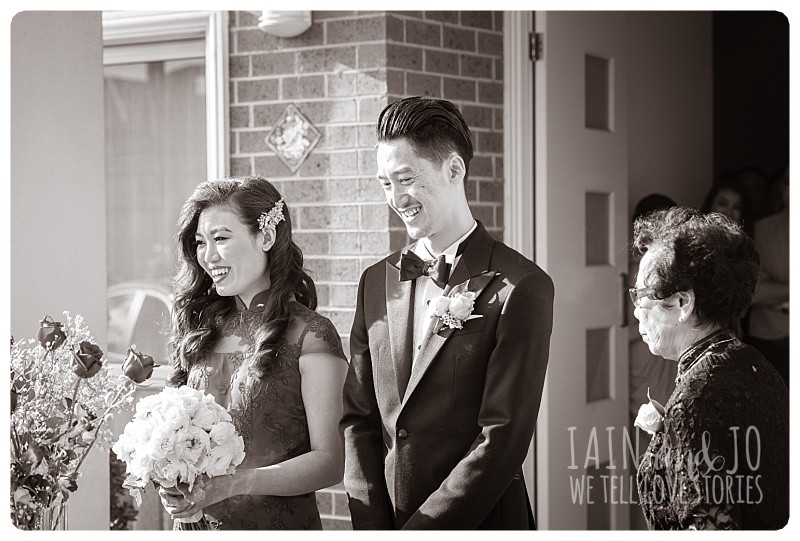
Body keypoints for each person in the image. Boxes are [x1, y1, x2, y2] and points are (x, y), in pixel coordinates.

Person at [340, 96, 555, 529]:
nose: (396, 198)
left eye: (406, 178)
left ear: (453, 170)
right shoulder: (375, 282)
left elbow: (502, 438)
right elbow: (359, 419)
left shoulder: (522, 286)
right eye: (385, 183)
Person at [160, 176, 348, 529]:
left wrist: (237, 484)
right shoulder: (200, 331)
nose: (208, 256)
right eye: (200, 242)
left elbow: (330, 462)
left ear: (266, 236)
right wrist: (169, 478)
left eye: (221, 238)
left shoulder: (311, 336)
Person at [631, 206, 788, 529]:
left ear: (683, 303)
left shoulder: (697, 401)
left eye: (642, 294)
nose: (636, 311)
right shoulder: (756, 364)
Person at [626, 194, 678, 530]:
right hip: (641, 363)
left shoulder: (678, 273)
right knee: (646, 461)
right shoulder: (633, 273)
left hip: (666, 361)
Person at [747, 167, 789, 387]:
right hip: (770, 339)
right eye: (789, 183)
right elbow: (755, 292)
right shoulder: (764, 227)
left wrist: (778, 293)